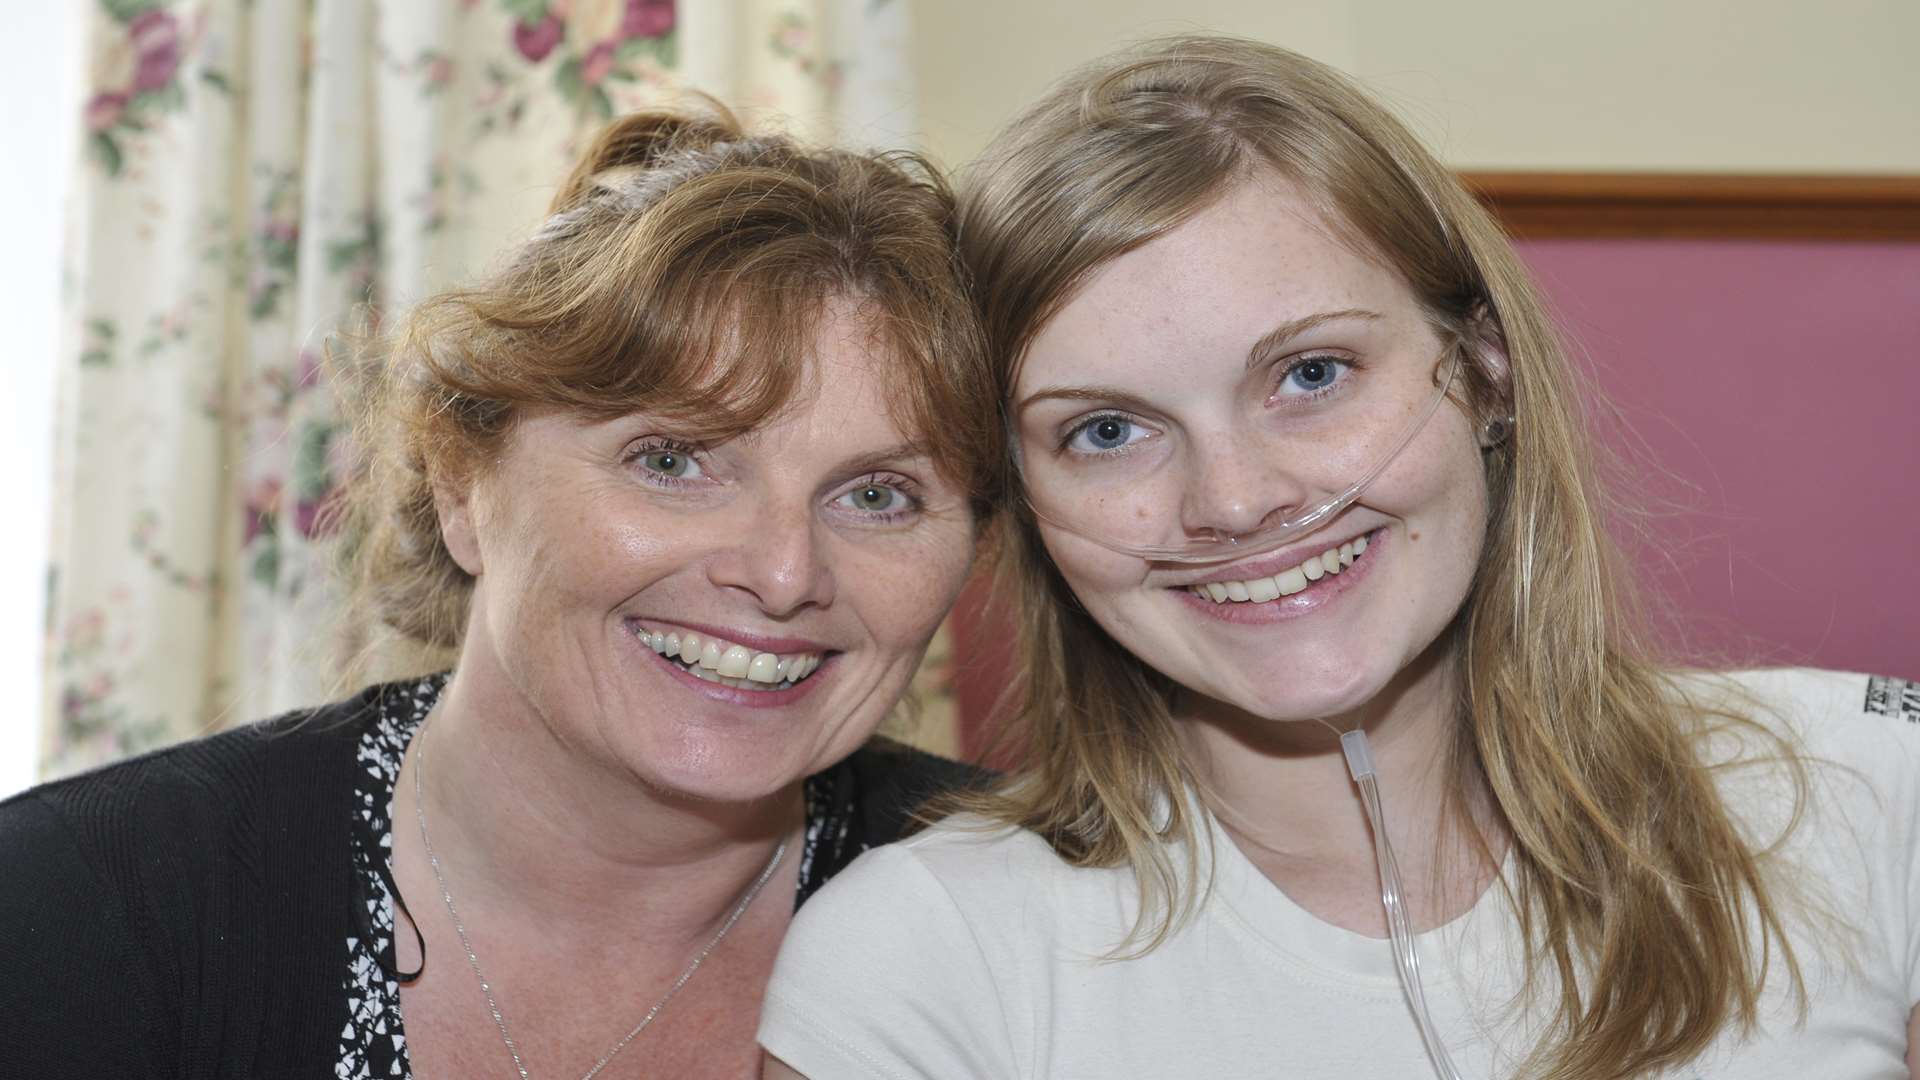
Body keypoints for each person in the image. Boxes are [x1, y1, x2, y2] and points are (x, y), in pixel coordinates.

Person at [757, 35, 1920, 1080]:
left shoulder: (1872, 791)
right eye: (1105, 432)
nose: (1237, 499)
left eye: (1311, 374)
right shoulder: (922, 962)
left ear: (1483, 367)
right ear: (1022, 498)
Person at [0, 102, 997, 1078]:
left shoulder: (1053, 917)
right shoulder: (80, 910)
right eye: (674, 460)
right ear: (462, 486)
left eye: (878, 494)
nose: (784, 573)